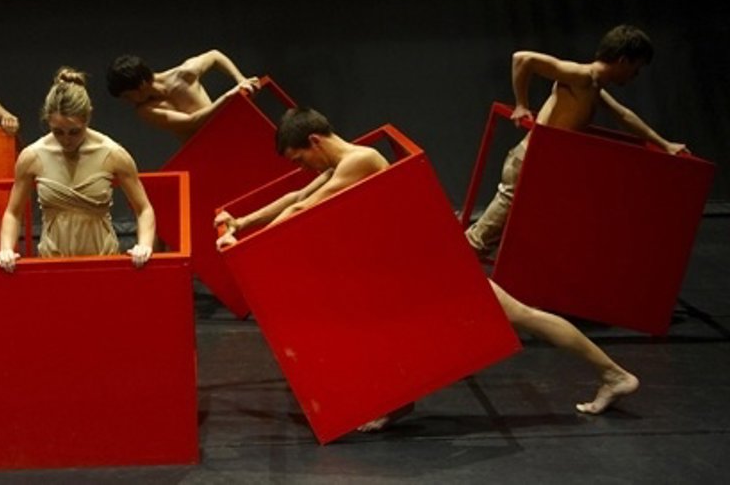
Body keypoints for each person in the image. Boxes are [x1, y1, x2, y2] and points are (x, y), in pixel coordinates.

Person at [216, 108, 639, 431]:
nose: (301, 168)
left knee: (523, 316)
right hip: (412, 266)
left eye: (299, 158)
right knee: (384, 325)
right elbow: (294, 198)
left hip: (437, 265)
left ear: (314, 140)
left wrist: (245, 246)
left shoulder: (359, 161)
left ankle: (614, 374)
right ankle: (400, 401)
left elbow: (304, 209)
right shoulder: (338, 164)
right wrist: (242, 221)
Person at [465, 25, 687, 258]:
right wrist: (521, 105)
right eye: (636, 69)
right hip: (529, 162)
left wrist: (665, 144)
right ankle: (453, 266)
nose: (635, 76)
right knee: (480, 239)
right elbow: (522, 59)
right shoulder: (582, 76)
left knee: (510, 233)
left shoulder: (594, 87)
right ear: (623, 61)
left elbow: (624, 115)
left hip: (542, 167)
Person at [0, 67, 155, 272]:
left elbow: (144, 209)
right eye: (58, 132)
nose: (66, 140)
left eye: (74, 132)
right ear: (48, 121)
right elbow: (13, 212)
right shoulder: (32, 156)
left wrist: (144, 245)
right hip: (52, 264)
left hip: (103, 263)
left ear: (87, 118)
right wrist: (6, 249)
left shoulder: (113, 154)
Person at [106, 50, 261, 140]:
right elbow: (191, 121)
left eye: (127, 96)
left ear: (141, 85)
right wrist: (229, 97)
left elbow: (215, 56)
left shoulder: (184, 74)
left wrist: (240, 79)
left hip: (227, 135)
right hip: (200, 153)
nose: (127, 101)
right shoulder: (145, 110)